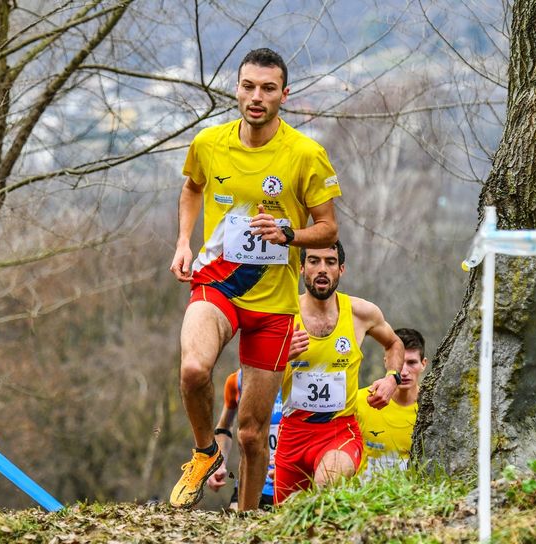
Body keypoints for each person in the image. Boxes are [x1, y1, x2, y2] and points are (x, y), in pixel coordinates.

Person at [168, 47, 341, 511]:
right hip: (217, 281)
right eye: (248, 86)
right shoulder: (209, 143)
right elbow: (192, 188)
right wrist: (183, 242)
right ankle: (204, 452)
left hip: (272, 304)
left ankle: (246, 522)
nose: (256, 97)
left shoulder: (306, 154)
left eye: (268, 88)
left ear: (284, 94)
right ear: (237, 89)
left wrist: (289, 234)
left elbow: (328, 228)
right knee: (193, 370)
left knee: (250, 434)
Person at [273, 242, 403, 504]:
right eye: (314, 261)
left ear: (341, 269)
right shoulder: (283, 313)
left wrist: (392, 378)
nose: (322, 269)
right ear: (301, 268)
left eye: (330, 262)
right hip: (292, 435)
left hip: (339, 432)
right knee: (286, 517)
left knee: (326, 486)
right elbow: (254, 370)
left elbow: (394, 343)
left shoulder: (361, 313)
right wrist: (280, 356)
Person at [354, 327, 427, 479]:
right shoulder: (361, 400)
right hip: (363, 492)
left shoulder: (431, 409)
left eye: (412, 362)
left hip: (410, 492)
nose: (404, 372)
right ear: (387, 362)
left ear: (423, 364)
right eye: (400, 363)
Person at [205, 368, 283, 510]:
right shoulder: (238, 379)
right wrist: (217, 462)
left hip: (290, 483)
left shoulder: (303, 374)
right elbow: (225, 426)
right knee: (235, 521)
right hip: (250, 483)